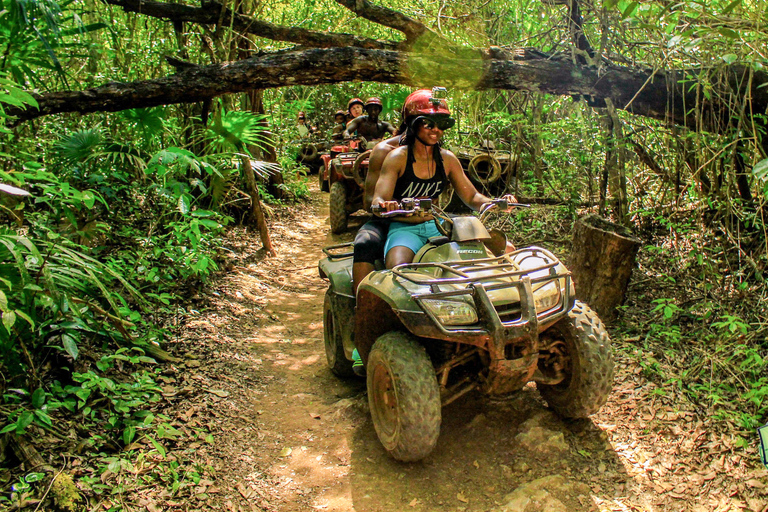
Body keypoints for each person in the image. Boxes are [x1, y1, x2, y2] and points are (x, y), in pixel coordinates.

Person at [372, 88, 516, 269]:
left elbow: (471, 197)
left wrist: (495, 203)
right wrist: (387, 205)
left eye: (442, 124)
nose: (436, 130)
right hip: (405, 227)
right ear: (412, 125)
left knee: (505, 250)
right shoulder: (397, 158)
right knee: (397, 266)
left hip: (438, 224)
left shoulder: (447, 159)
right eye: (428, 124)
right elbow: (378, 198)